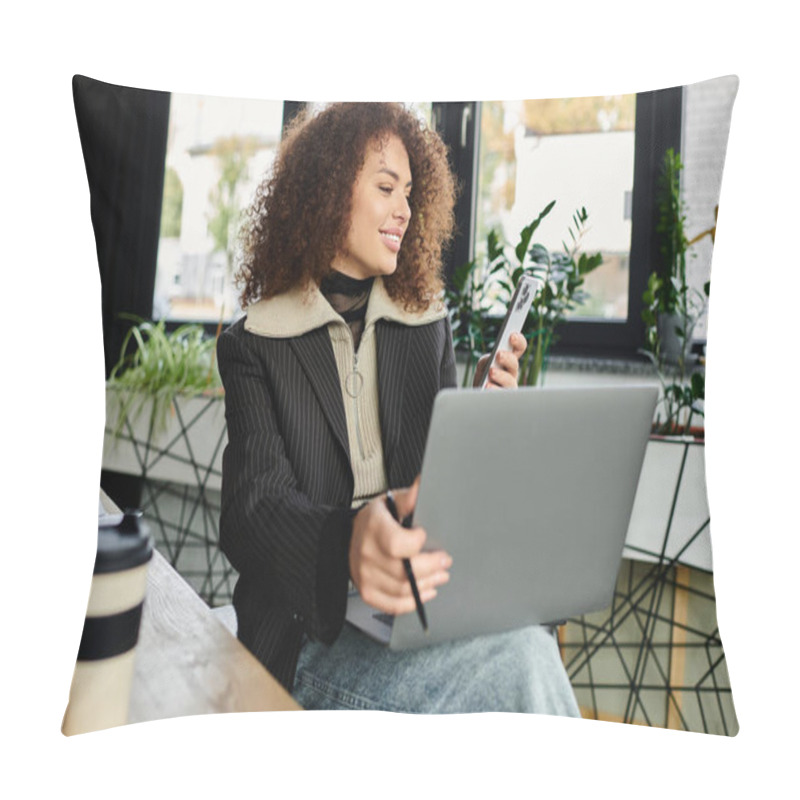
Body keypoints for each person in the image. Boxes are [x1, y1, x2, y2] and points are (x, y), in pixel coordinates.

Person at [217, 102, 580, 716]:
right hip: (308, 638)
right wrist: (347, 545)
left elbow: (431, 498)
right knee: (519, 665)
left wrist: (481, 435)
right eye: (386, 187)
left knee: (526, 646)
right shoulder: (255, 343)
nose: (405, 210)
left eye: (410, 192)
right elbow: (253, 510)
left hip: (414, 616)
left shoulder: (425, 328)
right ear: (327, 193)